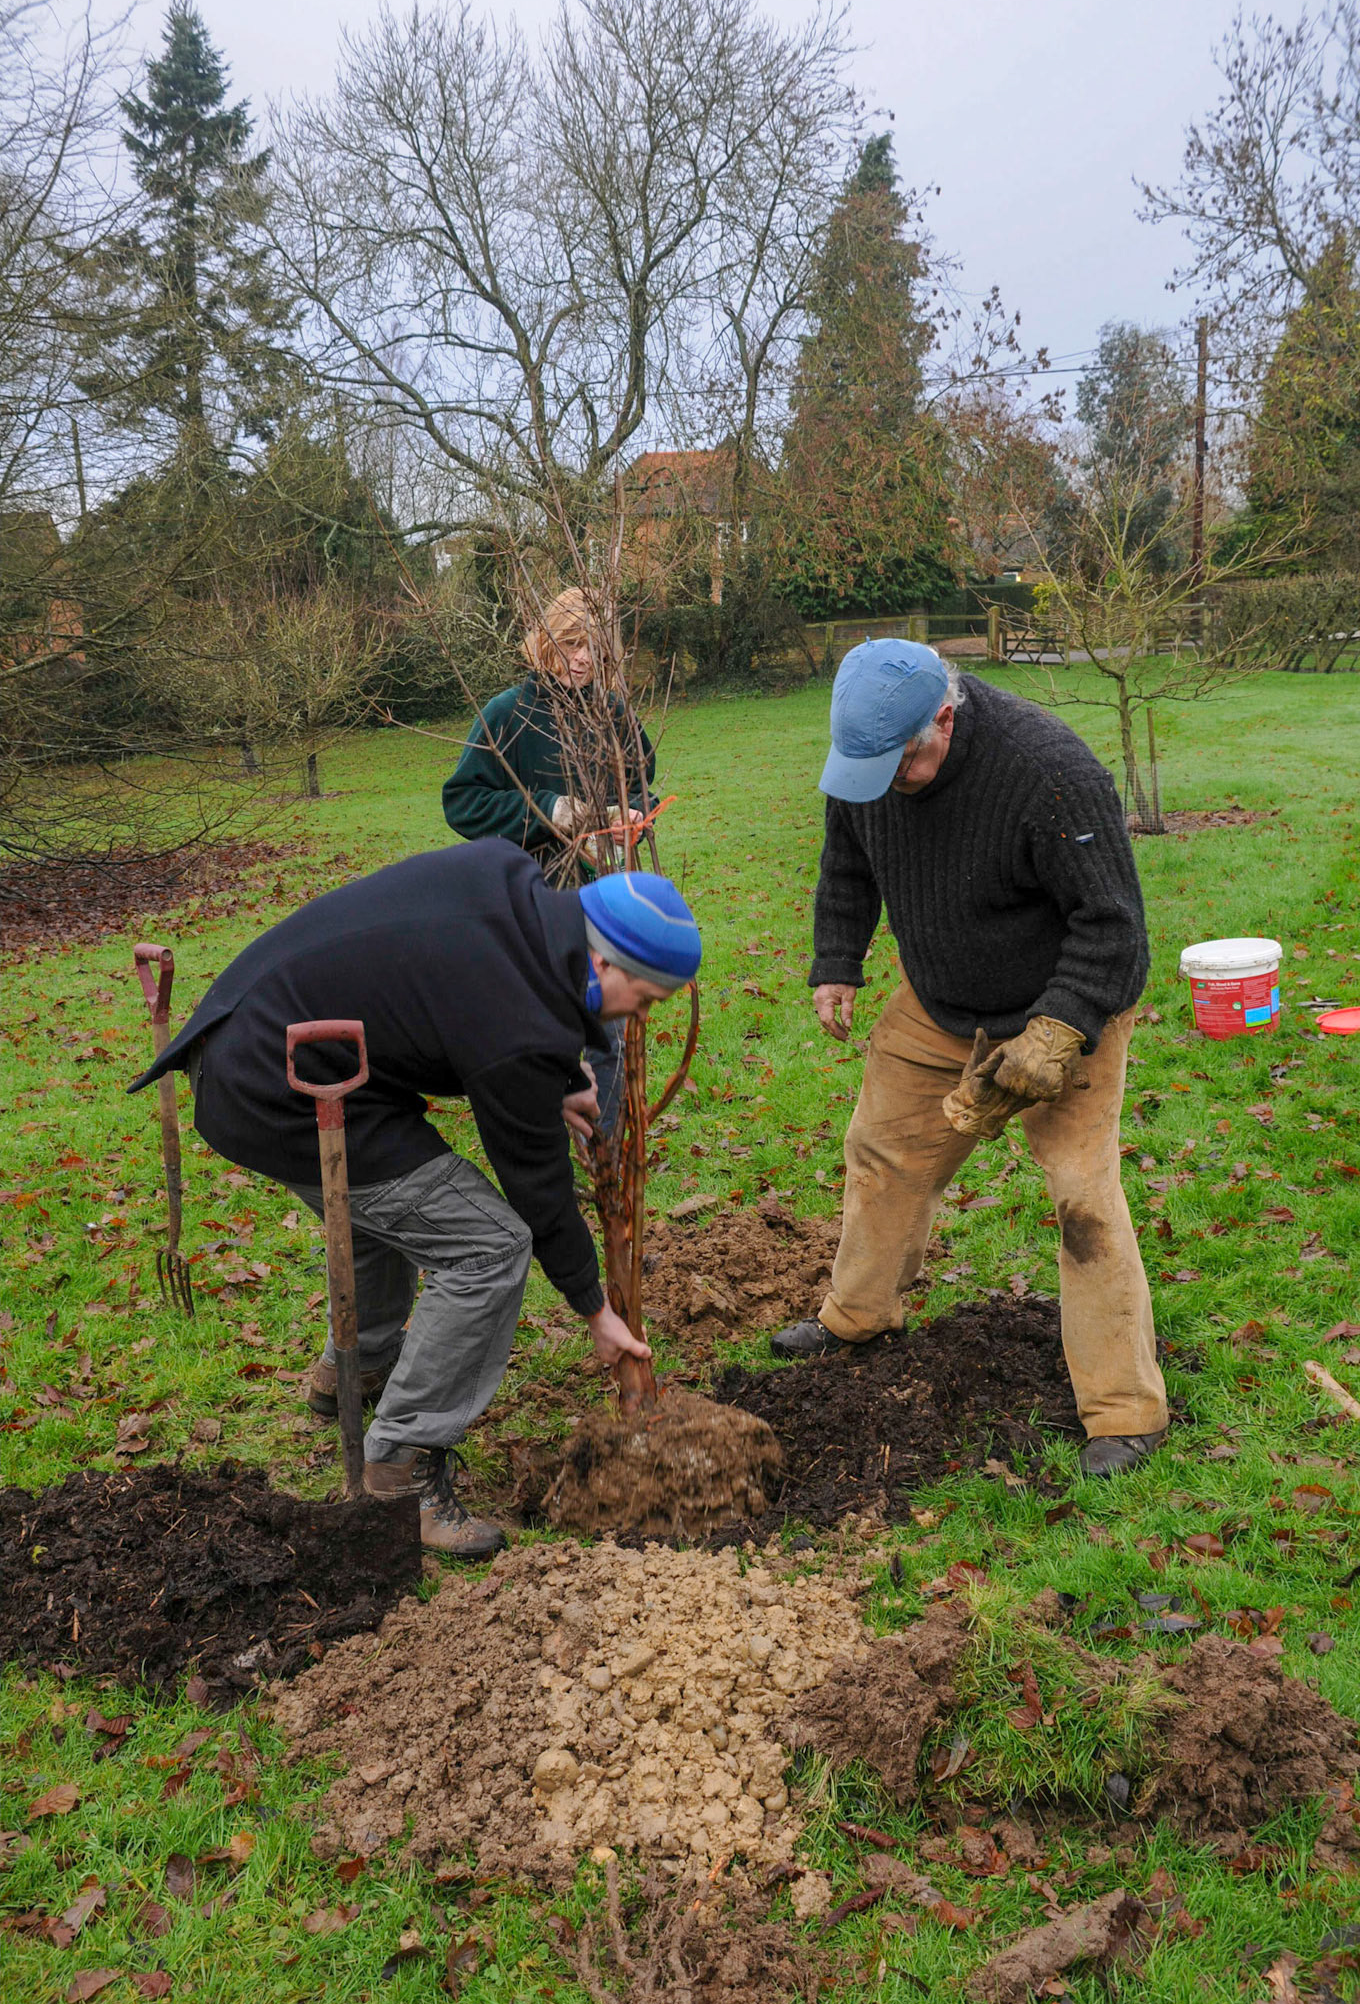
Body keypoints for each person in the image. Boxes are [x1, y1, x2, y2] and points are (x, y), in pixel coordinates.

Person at [129, 843, 702, 1556]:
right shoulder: (517, 1023)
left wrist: (556, 1075)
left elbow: (465, 1001)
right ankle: (399, 1467)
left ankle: (359, 1366)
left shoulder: (507, 878)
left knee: (388, 1203)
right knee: (486, 1245)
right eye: (642, 999)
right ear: (605, 964)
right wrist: (594, 1308)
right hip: (278, 1091)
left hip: (261, 1040)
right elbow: (537, 1184)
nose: (635, 1018)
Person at [774, 638, 1168, 1479]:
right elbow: (848, 859)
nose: (888, 780)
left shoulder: (1048, 772)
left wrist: (1057, 1032)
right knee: (883, 1153)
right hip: (941, 1003)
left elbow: (1115, 929)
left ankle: (1124, 1411)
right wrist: (838, 959)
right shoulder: (871, 756)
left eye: (903, 761)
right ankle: (858, 1314)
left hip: (1067, 1003)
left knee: (1083, 1198)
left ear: (944, 718)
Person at [441, 587, 656, 1130]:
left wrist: (628, 814)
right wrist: (547, 809)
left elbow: (641, 783)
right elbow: (463, 801)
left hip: (605, 896)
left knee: (610, 1031)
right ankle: (543, 1137)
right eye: (570, 643)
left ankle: (607, 1148)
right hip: (534, 903)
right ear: (544, 643)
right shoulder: (509, 714)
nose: (582, 659)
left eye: (593, 647)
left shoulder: (611, 712)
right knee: (545, 1033)